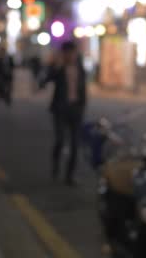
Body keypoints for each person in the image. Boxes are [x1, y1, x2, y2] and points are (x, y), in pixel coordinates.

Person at [40, 41, 87, 186]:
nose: (71, 56)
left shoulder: (80, 69)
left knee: (74, 144)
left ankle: (69, 176)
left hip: (75, 110)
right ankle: (55, 166)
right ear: (64, 54)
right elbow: (44, 82)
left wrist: (82, 107)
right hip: (60, 110)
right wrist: (55, 66)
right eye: (68, 53)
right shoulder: (59, 68)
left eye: (73, 53)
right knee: (60, 140)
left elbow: (83, 90)